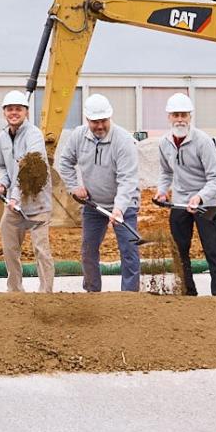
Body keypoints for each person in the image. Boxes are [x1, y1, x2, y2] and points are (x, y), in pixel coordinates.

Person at [54, 93, 141, 292]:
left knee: (129, 250)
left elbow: (127, 179)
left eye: (103, 121)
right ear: (87, 120)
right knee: (88, 250)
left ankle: (129, 297)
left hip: (124, 205)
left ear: (110, 117)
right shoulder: (78, 136)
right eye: (95, 122)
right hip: (94, 205)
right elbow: (65, 162)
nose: (100, 126)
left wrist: (119, 209)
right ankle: (93, 291)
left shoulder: (123, 140)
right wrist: (74, 186)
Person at [156, 93, 216, 296]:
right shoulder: (164, 143)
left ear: (190, 117)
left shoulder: (202, 142)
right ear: (169, 117)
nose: (180, 119)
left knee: (213, 251)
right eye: (176, 115)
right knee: (179, 252)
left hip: (206, 203)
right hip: (180, 203)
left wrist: (200, 197)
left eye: (184, 115)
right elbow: (166, 172)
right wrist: (162, 191)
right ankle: (188, 292)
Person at [0, 90, 54, 293]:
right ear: (4, 112)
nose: (14, 113)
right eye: (10, 109)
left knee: (41, 250)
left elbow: (28, 170)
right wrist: (2, 184)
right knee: (10, 248)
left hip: (37, 204)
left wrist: (15, 197)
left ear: (26, 112)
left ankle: (46, 294)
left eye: (18, 109)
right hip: (14, 205)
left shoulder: (34, 135)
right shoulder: (2, 137)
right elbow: (4, 167)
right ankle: (15, 291)